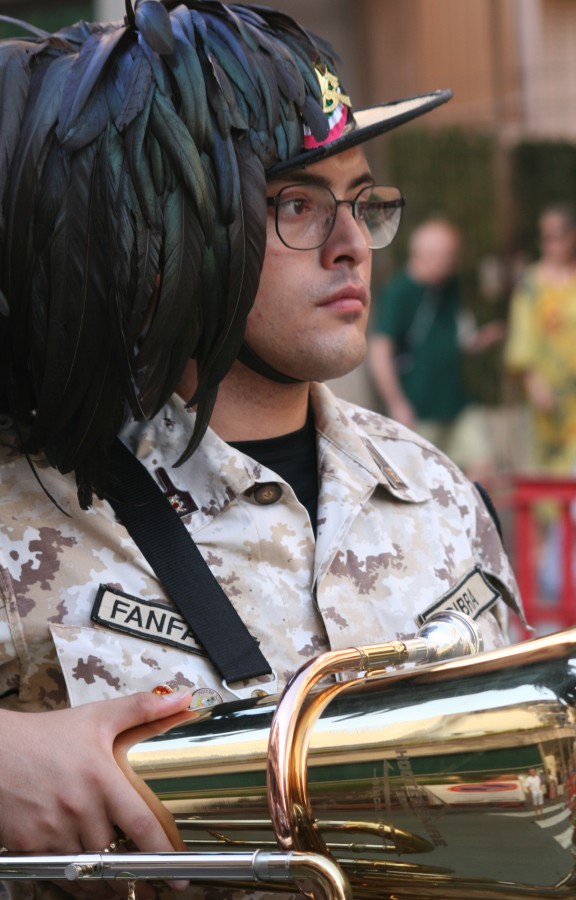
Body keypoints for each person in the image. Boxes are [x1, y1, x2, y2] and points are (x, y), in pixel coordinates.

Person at [0, 3, 523, 898]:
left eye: (363, 202)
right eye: (297, 205)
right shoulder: (25, 501)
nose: (352, 246)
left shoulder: (435, 490)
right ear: (165, 236)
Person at [368, 217, 505, 481]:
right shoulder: (399, 293)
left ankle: (468, 507)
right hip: (419, 408)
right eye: (448, 255)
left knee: (483, 465)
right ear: (425, 255)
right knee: (423, 479)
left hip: (456, 403)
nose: (453, 261)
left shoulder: (448, 287)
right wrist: (397, 403)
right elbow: (380, 353)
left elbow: (453, 338)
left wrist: (479, 341)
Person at [504, 203, 576, 475]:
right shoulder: (531, 284)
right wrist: (532, 380)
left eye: (558, 235)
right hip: (547, 391)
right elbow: (522, 337)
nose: (551, 243)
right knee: (549, 470)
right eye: (545, 236)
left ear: (574, 236)